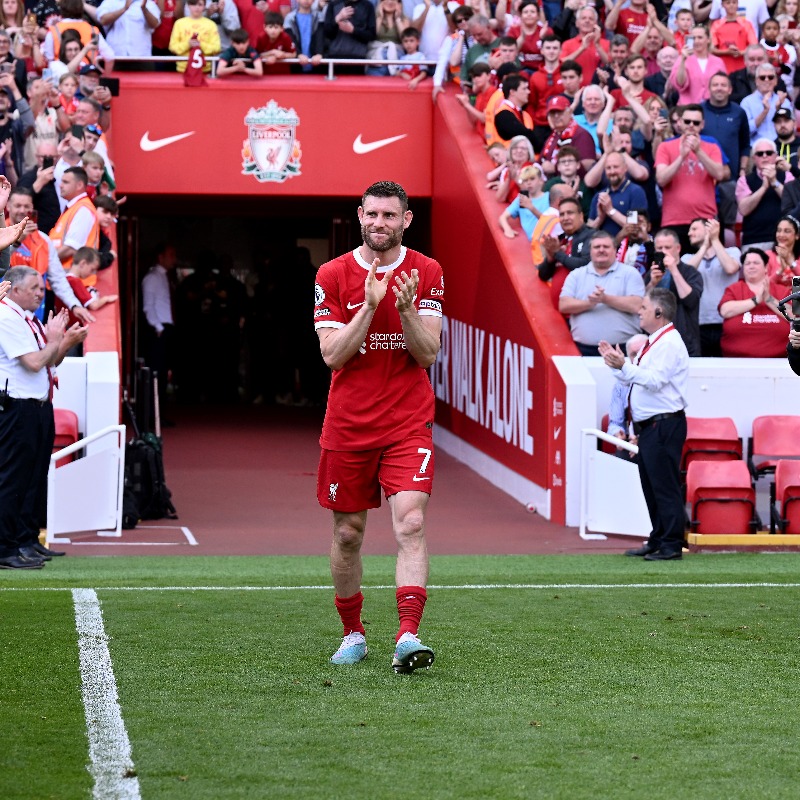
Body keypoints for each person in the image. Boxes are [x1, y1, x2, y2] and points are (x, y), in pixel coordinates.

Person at [313, 181, 442, 674]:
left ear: (405, 220)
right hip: (348, 425)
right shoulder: (332, 273)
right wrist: (369, 304)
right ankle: (353, 633)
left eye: (390, 216)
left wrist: (406, 308)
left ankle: (408, 634)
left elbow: (427, 354)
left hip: (408, 421)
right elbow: (332, 356)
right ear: (359, 215)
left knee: (410, 520)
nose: (380, 223)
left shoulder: (426, 271)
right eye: (373, 215)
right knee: (348, 533)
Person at [0, 266, 87, 569]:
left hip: (37, 404)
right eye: (35, 287)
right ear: (13, 288)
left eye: (41, 287)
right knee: (12, 479)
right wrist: (57, 342)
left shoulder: (27, 319)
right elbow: (36, 362)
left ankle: (25, 540)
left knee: (33, 477)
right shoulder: (7, 318)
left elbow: (52, 360)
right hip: (17, 407)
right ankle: (5, 547)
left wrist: (62, 342)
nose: (41, 293)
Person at [599, 287, 689, 561]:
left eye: (644, 308)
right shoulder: (657, 341)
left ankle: (671, 544)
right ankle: (660, 537)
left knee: (663, 484)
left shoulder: (669, 343)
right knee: (652, 484)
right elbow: (639, 378)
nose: (639, 311)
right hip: (652, 426)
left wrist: (623, 366)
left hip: (663, 424)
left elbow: (654, 380)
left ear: (659, 312)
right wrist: (618, 366)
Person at [6, 186, 93, 325]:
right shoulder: (2, 233)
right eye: (17, 206)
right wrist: (16, 241)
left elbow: (58, 278)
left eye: (26, 206)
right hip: (5, 310)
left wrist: (74, 305)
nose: (22, 210)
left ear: (32, 208)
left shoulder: (44, 240)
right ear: (8, 206)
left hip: (34, 314)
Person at [558, 229, 645, 356]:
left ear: (615, 250)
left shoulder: (630, 273)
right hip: (583, 350)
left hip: (623, 350)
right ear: (590, 251)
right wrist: (589, 303)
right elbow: (564, 305)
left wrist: (605, 299)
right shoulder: (576, 275)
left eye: (606, 246)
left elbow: (637, 305)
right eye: (597, 247)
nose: (601, 250)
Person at [655, 103, 727, 248]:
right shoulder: (665, 146)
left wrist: (698, 151)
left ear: (702, 125)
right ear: (680, 123)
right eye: (687, 121)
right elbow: (661, 179)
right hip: (673, 220)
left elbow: (719, 174)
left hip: (705, 220)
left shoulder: (712, 146)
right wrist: (681, 157)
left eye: (696, 122)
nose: (691, 125)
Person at [683, 217, 741, 356]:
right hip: (698, 322)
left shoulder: (733, 252)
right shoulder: (686, 258)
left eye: (694, 229)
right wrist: (704, 246)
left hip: (727, 321)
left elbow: (730, 268)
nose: (689, 233)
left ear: (708, 229)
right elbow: (685, 275)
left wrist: (714, 240)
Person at [719, 247, 790, 357]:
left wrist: (768, 299)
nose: (751, 266)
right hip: (736, 362)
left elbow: (793, 315)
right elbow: (725, 311)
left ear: (766, 267)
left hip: (779, 363)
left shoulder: (782, 290)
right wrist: (755, 300)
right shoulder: (733, 289)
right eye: (747, 263)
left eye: (756, 263)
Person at [646, 228, 704, 357]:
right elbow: (642, 304)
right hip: (654, 342)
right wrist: (652, 283)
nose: (664, 251)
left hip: (685, 343)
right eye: (659, 248)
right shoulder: (651, 273)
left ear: (678, 248)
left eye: (668, 247)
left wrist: (674, 270)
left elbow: (691, 300)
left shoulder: (691, 272)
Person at [535, 195, 593, 308]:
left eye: (570, 213)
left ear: (581, 216)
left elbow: (585, 265)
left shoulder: (592, 236)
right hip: (560, 312)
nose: (565, 218)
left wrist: (558, 254)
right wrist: (550, 258)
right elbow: (543, 275)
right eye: (562, 214)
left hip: (582, 307)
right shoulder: (559, 239)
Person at [737, 138, 791, 252]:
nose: (765, 156)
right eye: (760, 154)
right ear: (754, 158)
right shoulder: (744, 180)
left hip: (784, 240)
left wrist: (774, 182)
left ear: (776, 156)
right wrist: (763, 188)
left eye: (769, 153)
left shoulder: (787, 176)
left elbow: (793, 201)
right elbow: (743, 209)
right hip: (754, 240)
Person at [142, 242, 177, 410]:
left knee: (164, 373)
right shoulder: (152, 278)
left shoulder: (165, 277)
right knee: (157, 373)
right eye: (171, 255)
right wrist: (158, 328)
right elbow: (148, 306)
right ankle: (153, 413)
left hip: (166, 328)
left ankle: (160, 412)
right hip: (158, 329)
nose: (174, 259)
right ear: (160, 257)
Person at [49, 166, 99, 269]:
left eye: (66, 182)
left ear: (79, 185)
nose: (60, 185)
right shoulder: (74, 208)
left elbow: (70, 249)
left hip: (72, 277)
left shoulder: (83, 210)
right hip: (65, 275)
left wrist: (43, 262)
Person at [587, 152, 648, 236]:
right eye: (608, 168)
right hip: (603, 247)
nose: (612, 171)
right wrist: (600, 218)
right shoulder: (600, 196)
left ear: (625, 168)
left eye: (616, 167)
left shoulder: (634, 192)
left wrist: (611, 211)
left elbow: (635, 227)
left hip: (629, 247)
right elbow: (588, 231)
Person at [669, 24, 726, 104]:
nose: (696, 41)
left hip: (712, 109)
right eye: (693, 38)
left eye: (700, 37)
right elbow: (679, 84)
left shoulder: (718, 62)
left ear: (708, 40)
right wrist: (683, 61)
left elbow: (724, 85)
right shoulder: (681, 59)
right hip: (688, 109)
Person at [740, 62, 793, 145]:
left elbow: (790, 128)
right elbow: (745, 131)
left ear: (776, 81)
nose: (767, 80)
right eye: (762, 77)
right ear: (756, 81)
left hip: (781, 147)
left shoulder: (784, 101)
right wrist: (765, 111)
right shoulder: (747, 102)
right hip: (756, 149)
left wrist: (778, 109)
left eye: (771, 77)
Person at [498, 163, 549, 240]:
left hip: (545, 241)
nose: (529, 183)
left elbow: (550, 222)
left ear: (541, 181)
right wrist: (507, 229)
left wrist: (531, 207)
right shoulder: (521, 199)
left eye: (532, 179)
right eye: (525, 180)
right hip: (527, 244)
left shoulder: (549, 197)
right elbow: (502, 218)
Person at [169, 0, 221, 72]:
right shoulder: (179, 24)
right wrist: (188, 44)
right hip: (183, 69)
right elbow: (172, 47)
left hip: (205, 70)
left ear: (204, 6)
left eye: (200, 5)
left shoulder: (211, 25)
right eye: (193, 4)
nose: (196, 8)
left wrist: (200, 45)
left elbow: (217, 48)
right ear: (188, 6)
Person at [96, 0, 161, 58]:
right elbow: (102, 20)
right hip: (115, 56)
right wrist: (124, 8)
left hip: (142, 57)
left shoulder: (148, 3)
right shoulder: (110, 2)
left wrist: (144, 9)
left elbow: (155, 24)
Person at [284, 0, 325, 73]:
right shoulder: (289, 18)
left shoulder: (319, 17)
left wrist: (319, 53)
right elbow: (289, 39)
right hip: (296, 64)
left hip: (316, 63)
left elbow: (321, 38)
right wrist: (298, 54)